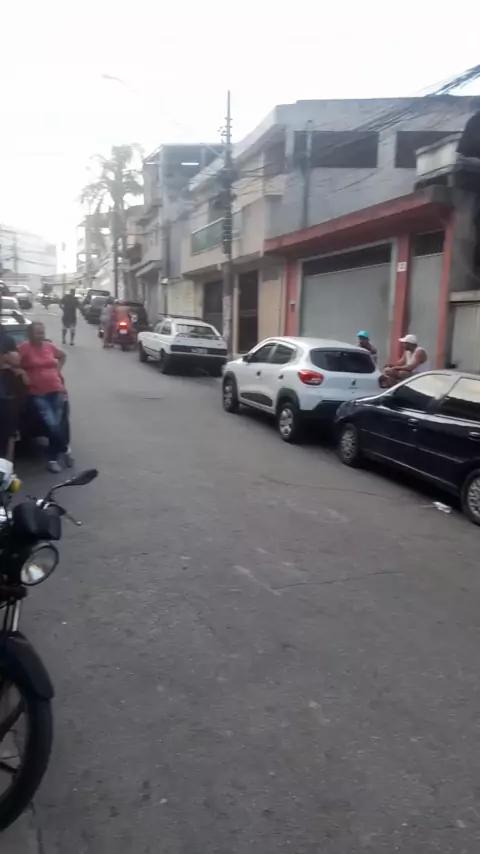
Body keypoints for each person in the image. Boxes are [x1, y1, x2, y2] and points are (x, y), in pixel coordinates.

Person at [18, 322, 73, 473]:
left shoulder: (49, 346)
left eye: (42, 332)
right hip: (38, 393)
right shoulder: (23, 348)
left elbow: (62, 356)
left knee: (58, 425)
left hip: (57, 390)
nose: (41, 336)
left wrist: (57, 370)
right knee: (53, 426)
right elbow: (13, 363)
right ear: (30, 334)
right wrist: (22, 373)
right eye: (38, 333)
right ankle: (65, 449)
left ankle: (52, 459)